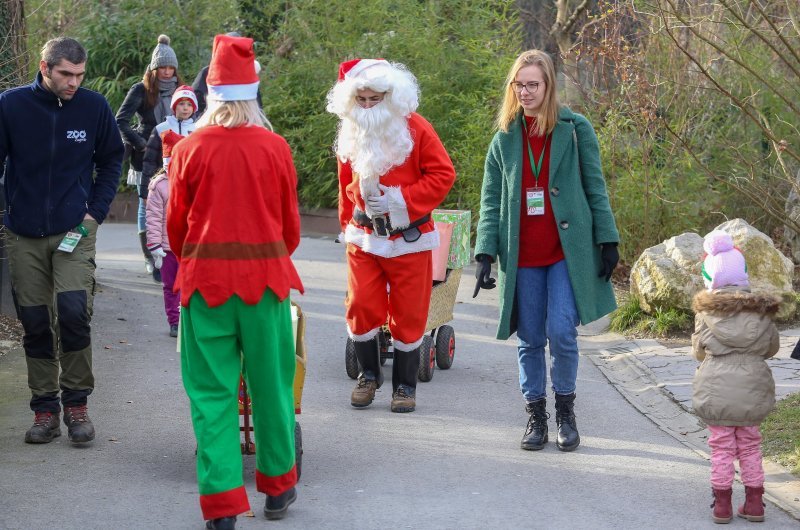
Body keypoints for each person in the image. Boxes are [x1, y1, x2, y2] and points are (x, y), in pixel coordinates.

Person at [167, 34, 303, 529]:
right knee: (271, 385)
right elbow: (290, 229)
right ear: (253, 91)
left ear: (209, 92)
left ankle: (222, 506)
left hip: (205, 287)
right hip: (265, 284)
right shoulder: (275, 147)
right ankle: (278, 486)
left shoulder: (188, 149)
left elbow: (176, 229)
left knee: (212, 393)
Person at [473, 50, 619, 452]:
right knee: (531, 337)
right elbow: (491, 200)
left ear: (549, 85)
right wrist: (485, 252)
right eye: (518, 84)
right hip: (522, 257)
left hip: (564, 254)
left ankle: (566, 412)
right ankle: (536, 415)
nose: (525, 92)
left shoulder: (575, 129)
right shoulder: (504, 137)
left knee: (561, 332)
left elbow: (595, 186)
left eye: (532, 84)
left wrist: (608, 239)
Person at [0, 37, 124, 444]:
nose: (74, 82)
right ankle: (44, 411)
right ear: (44, 67)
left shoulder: (93, 107)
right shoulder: (11, 105)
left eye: (79, 75)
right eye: (66, 74)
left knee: (72, 312)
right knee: (35, 323)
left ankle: (76, 405)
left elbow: (111, 160)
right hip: (24, 232)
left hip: (75, 229)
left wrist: (94, 213)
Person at [326, 59, 456, 413]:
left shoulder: (416, 128)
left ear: (391, 96)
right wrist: (345, 227)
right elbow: (343, 184)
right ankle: (369, 375)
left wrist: (401, 201)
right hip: (363, 237)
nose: (368, 106)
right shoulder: (350, 129)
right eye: (362, 99)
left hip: (409, 237)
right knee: (360, 306)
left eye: (375, 99)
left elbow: (443, 174)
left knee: (409, 313)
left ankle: (404, 386)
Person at [691, 230, 779, 524]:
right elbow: (771, 348)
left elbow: (699, 352)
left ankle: (722, 506)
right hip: (753, 389)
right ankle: (755, 503)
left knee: (722, 446)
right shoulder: (763, 312)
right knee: (751, 445)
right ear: (742, 274)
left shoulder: (705, 314)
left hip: (716, 390)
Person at [116, 34, 183, 282]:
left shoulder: (181, 91)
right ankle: (150, 256)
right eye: (162, 67)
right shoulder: (141, 90)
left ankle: (172, 253)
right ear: (154, 68)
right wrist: (141, 143)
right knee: (148, 205)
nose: (166, 72)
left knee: (174, 204)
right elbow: (120, 120)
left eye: (170, 67)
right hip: (148, 155)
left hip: (177, 155)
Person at [145, 132, 186, 338]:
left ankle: (189, 320)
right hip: (167, 247)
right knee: (171, 286)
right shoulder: (159, 185)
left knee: (190, 286)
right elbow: (152, 217)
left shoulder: (193, 181)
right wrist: (154, 245)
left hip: (189, 247)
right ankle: (175, 321)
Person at [141, 84, 197, 198]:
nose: (185, 108)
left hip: (192, 184)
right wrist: (145, 191)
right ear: (174, 106)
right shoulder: (161, 128)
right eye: (181, 104)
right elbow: (149, 161)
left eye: (189, 104)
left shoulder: (199, 130)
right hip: (164, 183)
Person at [191, 31, 262, 116]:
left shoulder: (247, 75)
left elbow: (257, 105)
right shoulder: (208, 72)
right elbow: (194, 100)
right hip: (213, 120)